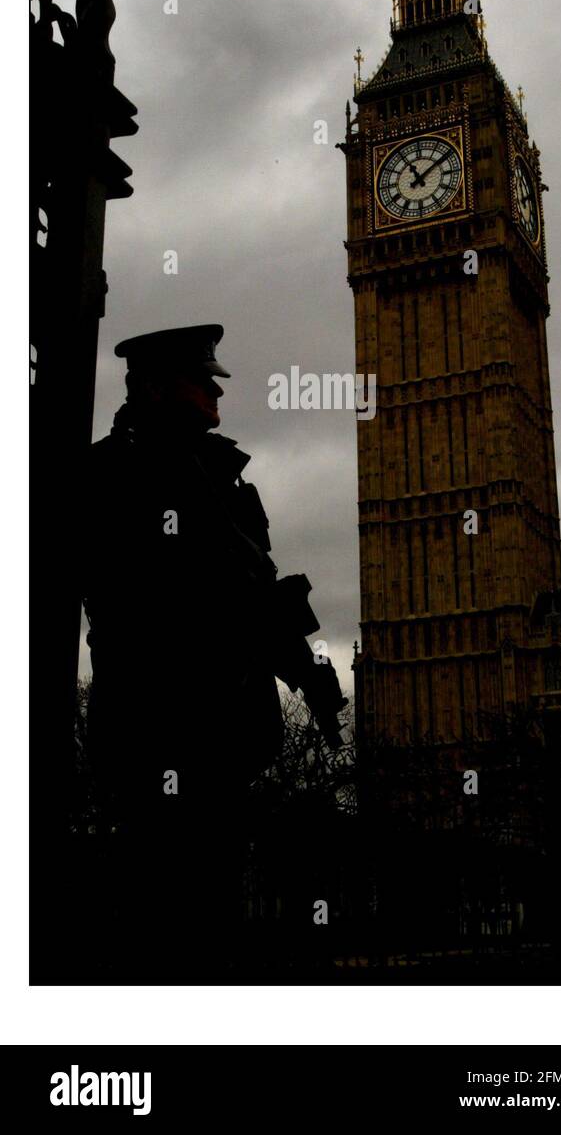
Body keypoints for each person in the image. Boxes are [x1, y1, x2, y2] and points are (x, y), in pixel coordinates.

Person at [81, 323, 345, 977]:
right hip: (157, 732)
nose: (215, 396)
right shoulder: (110, 474)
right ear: (152, 388)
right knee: (163, 921)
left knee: (211, 920)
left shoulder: (224, 476)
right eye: (201, 383)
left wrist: (310, 675)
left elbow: (257, 591)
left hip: (224, 735)